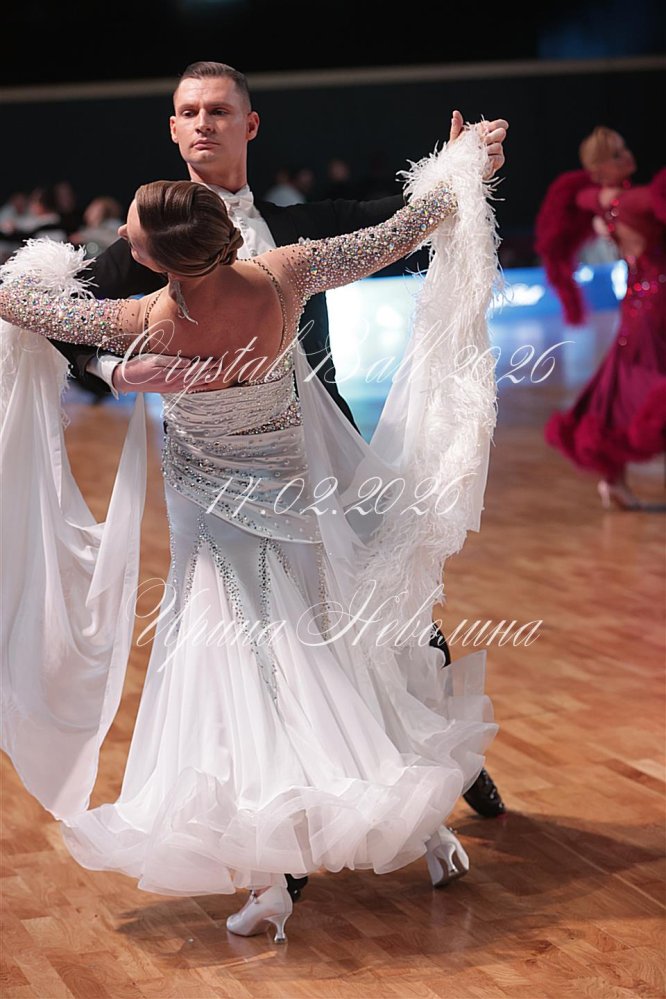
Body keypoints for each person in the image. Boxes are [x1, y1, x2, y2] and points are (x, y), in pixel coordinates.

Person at [1, 123, 499, 943]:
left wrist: (41, 273)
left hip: (212, 536)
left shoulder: (145, 319)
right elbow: (402, 230)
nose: (120, 232)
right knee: (328, 668)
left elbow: (19, 303)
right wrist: (462, 166)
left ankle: (273, 882)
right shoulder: (283, 273)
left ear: (163, 258)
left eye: (130, 230)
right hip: (296, 517)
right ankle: (426, 832)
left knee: (245, 690)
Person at [536, 127, 666, 510]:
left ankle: (613, 480)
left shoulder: (596, 200)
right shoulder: (636, 201)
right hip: (657, 303)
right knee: (640, 387)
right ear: (600, 169)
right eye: (617, 154)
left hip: (636, 304)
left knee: (619, 389)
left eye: (624, 149)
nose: (628, 156)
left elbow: (583, 196)